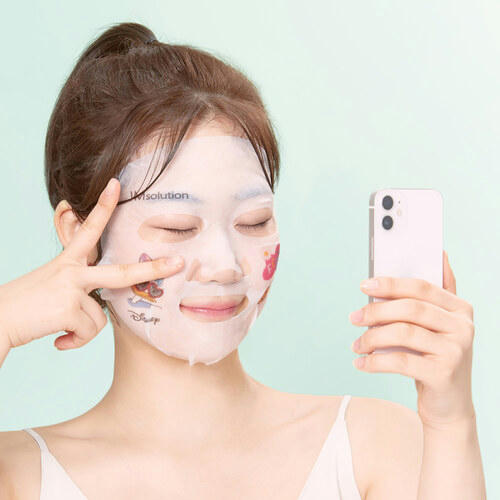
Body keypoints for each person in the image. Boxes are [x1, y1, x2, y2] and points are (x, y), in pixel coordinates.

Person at [0, 22, 486, 500]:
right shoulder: (19, 475)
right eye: (178, 227)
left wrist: (452, 422)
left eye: (253, 221)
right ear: (79, 234)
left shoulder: (375, 447)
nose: (225, 265)